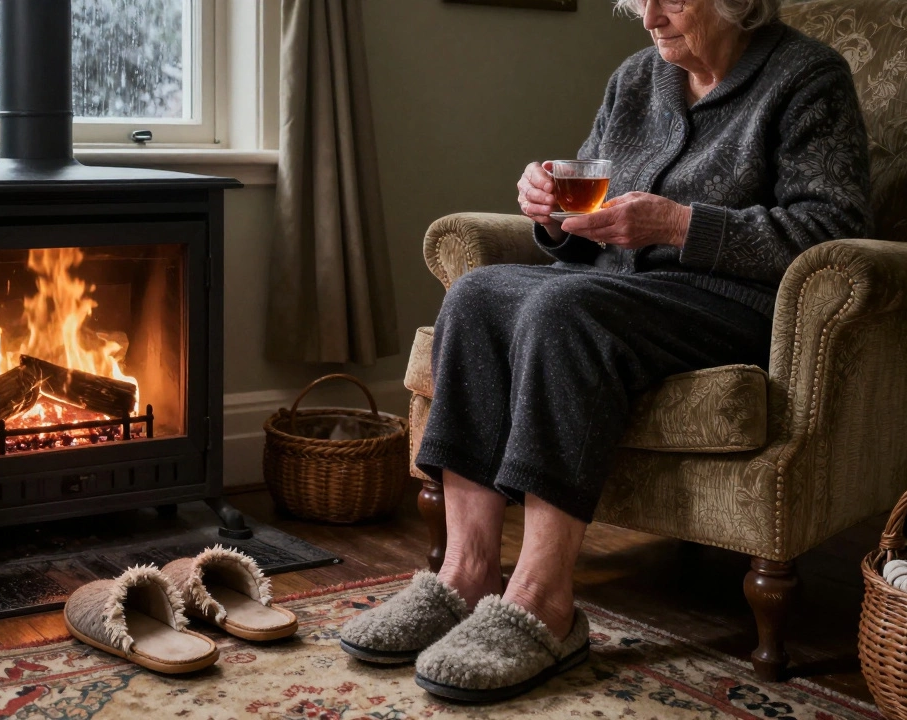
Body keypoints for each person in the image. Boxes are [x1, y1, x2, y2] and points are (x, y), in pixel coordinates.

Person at [341, 0, 871, 703]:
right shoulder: (634, 80)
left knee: (566, 309)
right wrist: (552, 216)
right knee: (477, 295)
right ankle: (465, 576)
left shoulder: (807, 78)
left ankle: (543, 602)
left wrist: (680, 225)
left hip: (730, 306)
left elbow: (829, 230)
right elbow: (593, 217)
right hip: (614, 290)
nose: (650, 16)